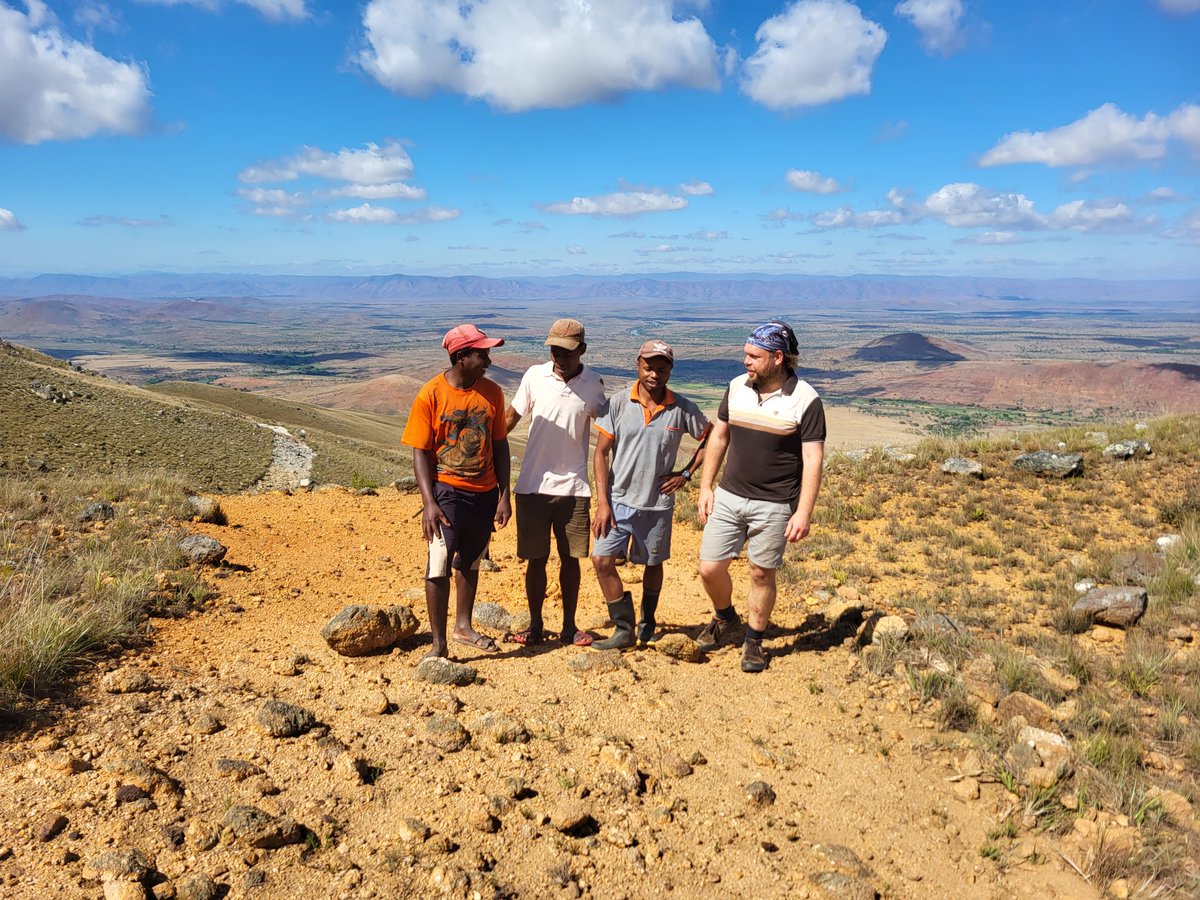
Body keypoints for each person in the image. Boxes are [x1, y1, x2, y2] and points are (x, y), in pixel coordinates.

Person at [696, 320, 826, 673]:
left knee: (760, 573)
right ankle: (725, 617)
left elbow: (813, 458)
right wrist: (706, 486)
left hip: (775, 503)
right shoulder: (736, 387)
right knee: (709, 568)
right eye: (746, 355)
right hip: (729, 495)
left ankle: (753, 640)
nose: (746, 362)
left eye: (754, 356)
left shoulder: (806, 399)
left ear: (778, 357)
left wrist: (803, 512)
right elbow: (719, 437)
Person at [591, 339, 710, 650]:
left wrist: (686, 473)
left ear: (670, 370)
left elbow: (712, 437)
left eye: (661, 368)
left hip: (657, 504)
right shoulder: (617, 403)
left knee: (653, 563)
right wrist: (602, 503)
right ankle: (623, 627)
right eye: (648, 367)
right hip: (617, 502)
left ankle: (647, 621)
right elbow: (601, 454)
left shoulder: (682, 407)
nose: (654, 374)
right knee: (602, 559)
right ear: (638, 366)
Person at [401, 324, 511, 659]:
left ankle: (463, 627)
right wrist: (429, 502)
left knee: (471, 562)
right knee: (438, 565)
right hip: (446, 492)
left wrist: (504, 495)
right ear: (461, 356)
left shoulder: (492, 393)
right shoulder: (431, 394)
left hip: (484, 493)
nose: (488, 360)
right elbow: (420, 451)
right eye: (482, 354)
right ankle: (439, 645)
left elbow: (500, 444)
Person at [505, 318, 607, 647]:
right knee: (535, 560)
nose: (559, 357)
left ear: (582, 350)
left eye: (566, 351)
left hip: (575, 489)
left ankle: (568, 626)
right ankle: (535, 625)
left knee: (571, 559)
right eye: (554, 350)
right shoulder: (535, 376)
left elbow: (608, 433)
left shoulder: (594, 384)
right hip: (533, 485)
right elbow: (510, 418)